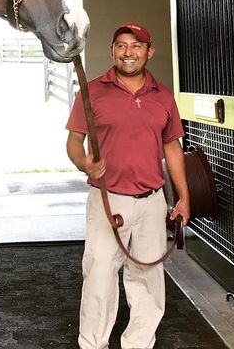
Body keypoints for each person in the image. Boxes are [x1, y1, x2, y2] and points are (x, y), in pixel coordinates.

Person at [66, 21, 190, 349]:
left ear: (150, 51)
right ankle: (93, 344)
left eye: (136, 46)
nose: (128, 52)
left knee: (148, 278)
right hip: (107, 200)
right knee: (99, 275)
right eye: (121, 45)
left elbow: (172, 147)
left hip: (152, 201)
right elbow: (74, 143)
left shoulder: (163, 96)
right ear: (112, 51)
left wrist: (183, 197)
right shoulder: (90, 92)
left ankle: (138, 343)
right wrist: (84, 163)